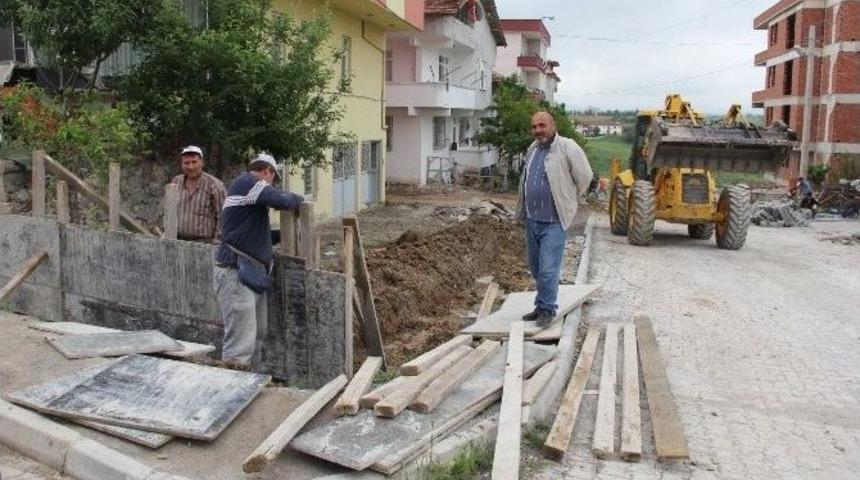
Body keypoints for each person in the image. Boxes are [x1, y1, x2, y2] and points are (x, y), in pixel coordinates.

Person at [213, 153, 304, 369]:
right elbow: (282, 200)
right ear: (268, 172)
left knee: (256, 333)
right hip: (235, 272)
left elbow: (257, 236)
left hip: (248, 274)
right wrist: (300, 199)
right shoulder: (247, 182)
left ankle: (248, 382)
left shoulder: (248, 200)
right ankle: (232, 388)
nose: (272, 185)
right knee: (240, 343)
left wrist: (285, 234)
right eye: (273, 180)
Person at [515, 111, 593, 327]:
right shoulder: (532, 149)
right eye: (534, 126)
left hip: (554, 221)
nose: (538, 130)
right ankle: (541, 306)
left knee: (549, 268)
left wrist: (570, 197)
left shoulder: (567, 147)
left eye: (542, 125)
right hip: (532, 220)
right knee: (536, 267)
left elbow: (585, 176)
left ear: (553, 125)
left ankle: (548, 309)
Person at [170, 146, 227, 242]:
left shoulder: (214, 185)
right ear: (181, 164)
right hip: (177, 240)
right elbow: (170, 211)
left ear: (202, 162)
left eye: (194, 162)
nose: (190, 167)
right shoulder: (176, 182)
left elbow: (223, 216)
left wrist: (218, 241)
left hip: (204, 243)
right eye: (186, 163)